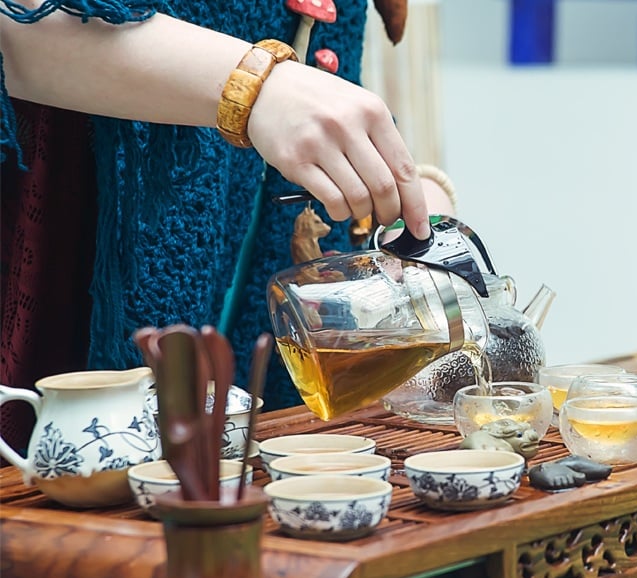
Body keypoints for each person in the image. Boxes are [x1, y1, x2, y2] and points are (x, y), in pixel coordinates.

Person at [0, 0, 452, 453]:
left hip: (272, 301)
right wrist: (256, 86)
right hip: (72, 264)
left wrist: (413, 198)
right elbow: (17, 22)